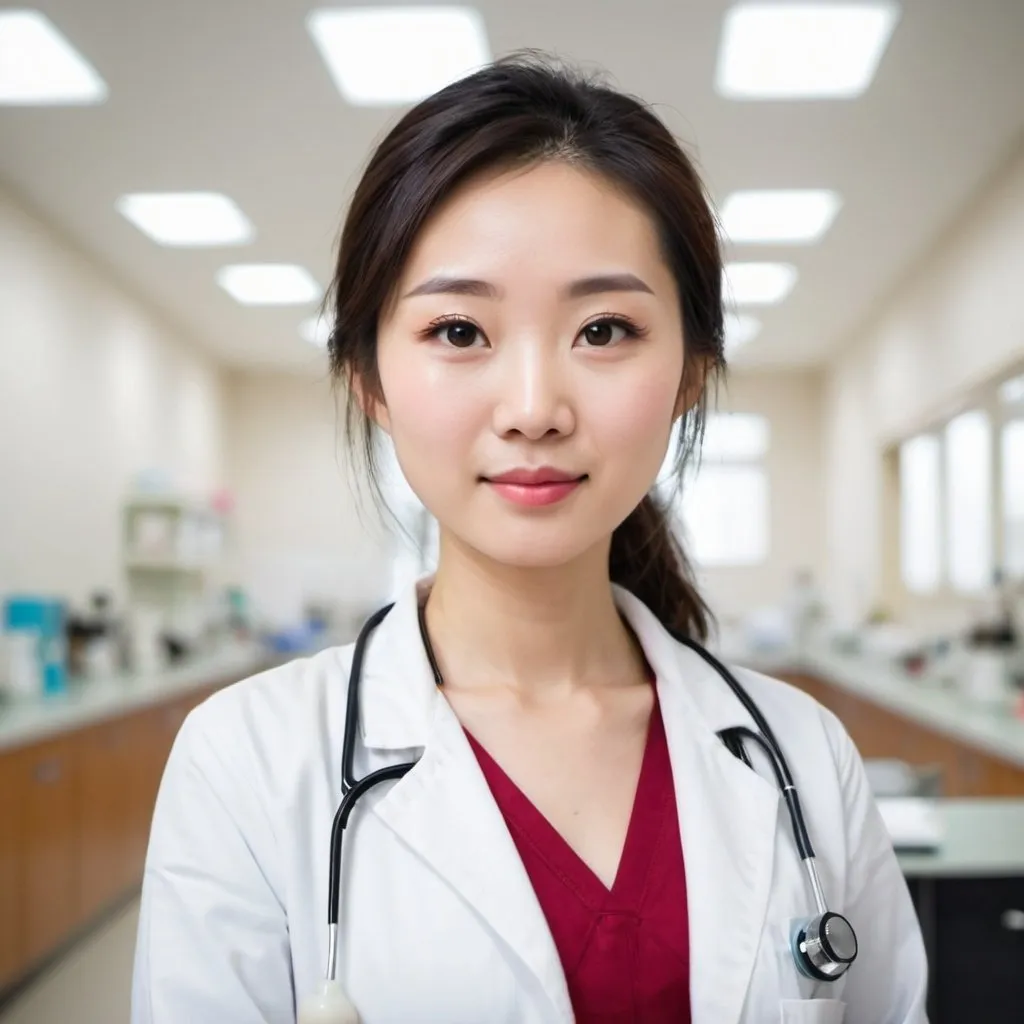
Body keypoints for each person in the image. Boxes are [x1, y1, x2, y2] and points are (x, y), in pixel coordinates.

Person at [131, 55, 928, 1024]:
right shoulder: (248, 760)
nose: (534, 408)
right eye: (460, 331)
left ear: (688, 371)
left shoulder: (802, 753)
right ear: (368, 378)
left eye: (602, 329)